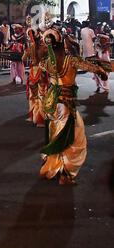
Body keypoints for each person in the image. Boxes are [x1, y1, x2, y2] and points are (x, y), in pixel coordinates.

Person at [39, 27, 107, 185]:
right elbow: (91, 67)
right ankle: (65, 174)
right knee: (72, 139)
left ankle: (53, 168)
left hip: (51, 104)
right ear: (61, 43)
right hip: (66, 105)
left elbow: (43, 80)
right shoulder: (71, 60)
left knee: (55, 135)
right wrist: (101, 71)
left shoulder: (48, 62)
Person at [23, 27, 47, 127]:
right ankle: (40, 120)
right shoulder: (45, 48)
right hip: (41, 72)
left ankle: (32, 116)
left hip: (32, 72)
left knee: (33, 96)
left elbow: (23, 58)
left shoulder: (31, 47)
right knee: (42, 95)